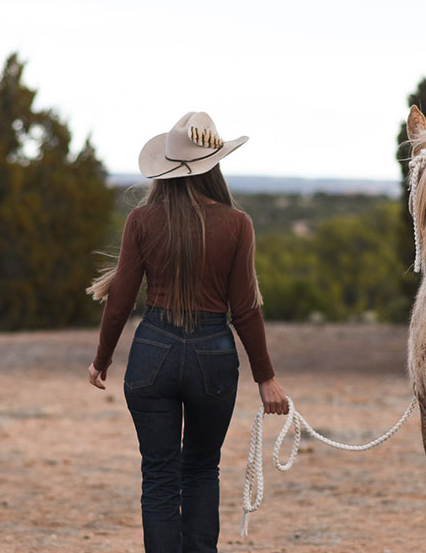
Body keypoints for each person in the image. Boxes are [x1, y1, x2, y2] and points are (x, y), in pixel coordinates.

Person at [87, 111, 289, 553]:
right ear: (214, 165)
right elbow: (245, 310)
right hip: (213, 357)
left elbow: (120, 299)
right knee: (201, 469)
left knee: (158, 475)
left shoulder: (141, 220)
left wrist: (101, 360)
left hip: (152, 351)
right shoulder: (237, 224)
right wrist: (265, 377)